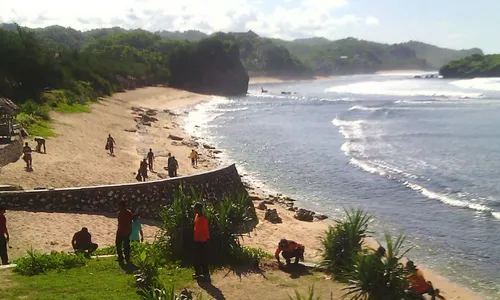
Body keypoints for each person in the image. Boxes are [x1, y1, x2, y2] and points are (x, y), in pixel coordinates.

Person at [193, 202, 210, 280]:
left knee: (203, 258)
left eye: (195, 208)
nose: (194, 210)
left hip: (202, 240)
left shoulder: (204, 218)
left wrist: (207, 239)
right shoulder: (196, 216)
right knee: (196, 257)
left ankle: (205, 273)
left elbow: (206, 230)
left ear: (199, 210)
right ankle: (198, 272)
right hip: (197, 239)